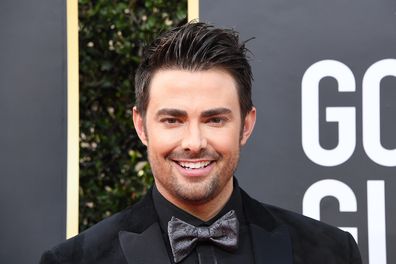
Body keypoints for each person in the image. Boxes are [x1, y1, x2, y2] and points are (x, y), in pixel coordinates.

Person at [40, 22, 362, 264]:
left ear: (246, 125)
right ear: (141, 126)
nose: (194, 142)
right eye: (173, 120)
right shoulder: (74, 260)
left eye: (214, 120)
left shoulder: (331, 252)